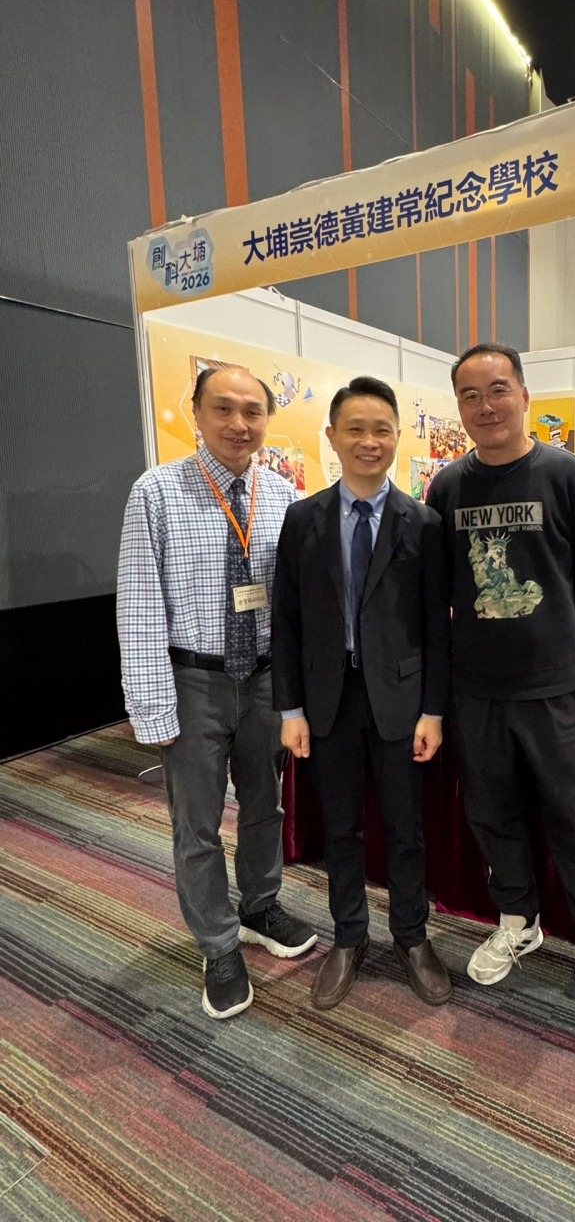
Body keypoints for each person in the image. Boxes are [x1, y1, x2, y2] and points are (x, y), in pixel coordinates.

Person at [426, 342, 575, 1038]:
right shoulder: (446, 488)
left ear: (525, 395)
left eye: (498, 389)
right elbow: (442, 589)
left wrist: (553, 636)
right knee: (491, 812)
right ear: (459, 407)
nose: (486, 406)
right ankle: (517, 920)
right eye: (470, 395)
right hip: (476, 688)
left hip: (553, 687)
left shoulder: (568, 476)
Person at [117, 366, 317, 1021]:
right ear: (196, 414)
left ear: (267, 419)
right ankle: (218, 944)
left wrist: (300, 694)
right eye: (224, 409)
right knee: (197, 824)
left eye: (253, 411)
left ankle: (260, 905)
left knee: (266, 806)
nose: (239, 424)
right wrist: (152, 706)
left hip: (266, 680)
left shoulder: (283, 495)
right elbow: (139, 605)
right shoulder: (156, 492)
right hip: (193, 681)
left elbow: (296, 605)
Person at [272, 377, 452, 1010]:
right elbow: (286, 619)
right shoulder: (303, 520)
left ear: (398, 437)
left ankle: (411, 935)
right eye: (355, 429)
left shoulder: (424, 523)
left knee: (405, 829)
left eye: (381, 430)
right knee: (342, 828)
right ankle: (349, 935)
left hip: (401, 702)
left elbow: (437, 628)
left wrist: (434, 709)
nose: (368, 441)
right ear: (332, 436)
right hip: (328, 701)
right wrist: (290, 708)